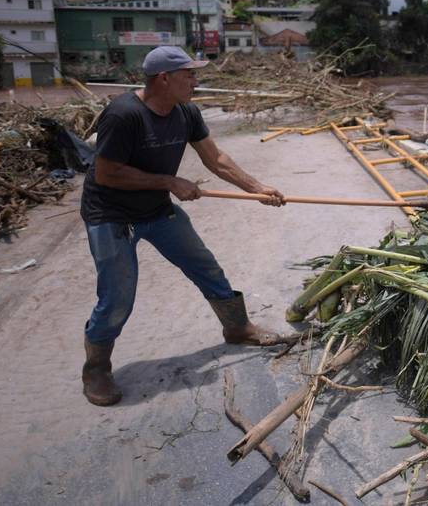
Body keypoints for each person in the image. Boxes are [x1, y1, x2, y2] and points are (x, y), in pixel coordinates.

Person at [79, 45, 288, 406]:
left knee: (204, 265)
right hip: (111, 215)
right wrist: (170, 182)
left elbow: (215, 158)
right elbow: (107, 172)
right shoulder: (123, 114)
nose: (195, 81)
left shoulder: (186, 112)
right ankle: (96, 368)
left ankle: (237, 328)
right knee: (117, 297)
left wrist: (257, 188)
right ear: (164, 79)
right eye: (189, 74)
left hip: (156, 210)